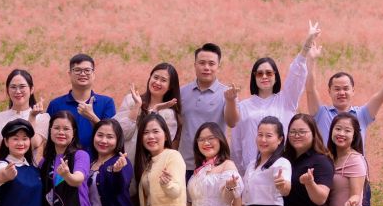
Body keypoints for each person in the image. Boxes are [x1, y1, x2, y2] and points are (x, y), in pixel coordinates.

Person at [305, 47, 383, 206]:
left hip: (355, 179)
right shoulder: (321, 114)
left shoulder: (362, 114)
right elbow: (310, 89)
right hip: (325, 180)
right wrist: (312, 61)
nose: (342, 92)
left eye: (346, 88)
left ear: (353, 91)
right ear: (329, 91)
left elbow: (381, 95)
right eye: (337, 89)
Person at [225, 22, 321, 173]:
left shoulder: (286, 100)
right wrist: (239, 174)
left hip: (281, 172)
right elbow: (237, 144)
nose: (264, 76)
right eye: (260, 73)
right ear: (254, 77)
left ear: (276, 77)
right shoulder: (243, 107)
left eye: (269, 73)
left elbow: (296, 74)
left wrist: (307, 44)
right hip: (251, 172)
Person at [45, 54, 116, 150]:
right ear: (69, 74)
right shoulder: (56, 104)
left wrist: (92, 117)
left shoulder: (107, 103)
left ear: (94, 74)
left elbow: (112, 136)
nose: (82, 74)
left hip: (96, 161)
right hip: (63, 161)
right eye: (77, 70)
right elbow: (48, 138)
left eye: (87, 70)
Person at [115, 62, 182, 163]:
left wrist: (154, 111)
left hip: (148, 165)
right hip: (122, 161)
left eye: (163, 80)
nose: (157, 82)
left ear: (170, 87)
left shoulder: (168, 115)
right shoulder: (131, 101)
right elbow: (121, 134)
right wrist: (137, 106)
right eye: (155, 77)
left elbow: (160, 145)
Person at [179, 43, 228, 179]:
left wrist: (230, 100)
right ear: (195, 65)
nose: (206, 67)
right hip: (185, 163)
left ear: (218, 66)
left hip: (214, 165)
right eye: (202, 63)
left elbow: (233, 122)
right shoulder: (182, 92)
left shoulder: (227, 93)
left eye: (211, 64)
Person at [0, 69, 48, 163]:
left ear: (31, 89)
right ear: (7, 90)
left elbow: (33, 144)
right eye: (13, 87)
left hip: (29, 174)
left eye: (22, 87)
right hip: (2, 172)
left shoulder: (42, 118)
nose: (18, 91)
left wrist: (32, 117)